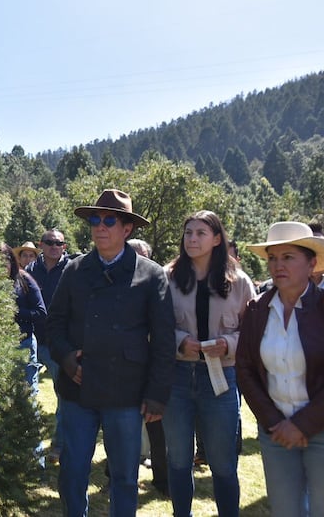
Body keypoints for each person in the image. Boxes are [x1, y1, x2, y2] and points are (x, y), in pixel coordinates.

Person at [46, 189, 175, 517]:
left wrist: (157, 395)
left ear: (127, 228)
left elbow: (163, 340)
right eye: (95, 219)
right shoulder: (74, 270)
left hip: (126, 392)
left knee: (124, 477)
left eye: (109, 220)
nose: (99, 227)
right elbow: (54, 325)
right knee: (72, 472)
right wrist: (64, 358)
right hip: (79, 388)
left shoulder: (151, 274)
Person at [162, 210, 254, 517]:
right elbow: (155, 325)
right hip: (177, 376)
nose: (192, 239)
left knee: (223, 462)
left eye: (201, 233)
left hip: (221, 377)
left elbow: (253, 332)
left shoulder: (239, 281)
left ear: (217, 239)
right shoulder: (167, 277)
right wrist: (179, 340)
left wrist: (228, 343)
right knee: (177, 459)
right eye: (188, 232)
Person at [237, 221, 324, 517]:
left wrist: (302, 425)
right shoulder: (256, 309)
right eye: (272, 258)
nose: (278, 266)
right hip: (275, 433)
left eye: (288, 257)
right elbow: (245, 370)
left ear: (311, 263)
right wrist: (276, 422)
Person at [127, 238, 169, 498]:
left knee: (158, 430)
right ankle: (116, 476)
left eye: (141, 255)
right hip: (125, 371)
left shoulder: (159, 282)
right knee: (122, 429)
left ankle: (163, 481)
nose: (135, 260)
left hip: (152, 369)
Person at [28, 228, 72, 464]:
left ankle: (59, 446)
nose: (55, 246)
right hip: (34, 341)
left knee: (63, 397)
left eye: (59, 243)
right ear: (41, 245)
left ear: (64, 247)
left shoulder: (71, 270)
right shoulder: (31, 271)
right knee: (27, 395)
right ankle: (28, 448)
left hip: (59, 344)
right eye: (50, 242)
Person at [1, 243, 46, 396]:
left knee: (27, 393)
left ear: (12, 261)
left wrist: (13, 311)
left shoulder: (24, 280)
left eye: (4, 261)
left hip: (23, 344)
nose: (1, 265)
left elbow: (40, 312)